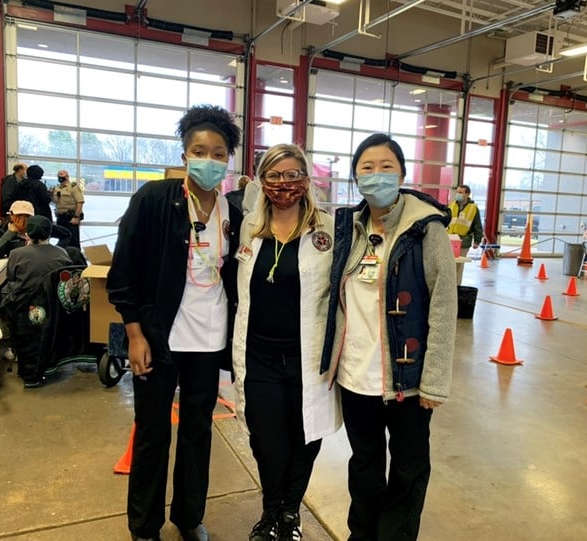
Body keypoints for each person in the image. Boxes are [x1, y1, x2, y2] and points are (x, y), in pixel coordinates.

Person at [107, 104, 242, 541]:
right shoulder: (154, 200)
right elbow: (123, 271)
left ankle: (188, 516)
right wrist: (134, 333)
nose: (209, 159)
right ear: (185, 155)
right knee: (152, 432)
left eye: (219, 152)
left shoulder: (233, 213)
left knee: (198, 432)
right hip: (159, 337)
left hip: (209, 337)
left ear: (228, 160)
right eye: (200, 150)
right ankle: (144, 525)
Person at [320, 133, 457, 541]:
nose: (376, 175)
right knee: (364, 463)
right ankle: (361, 534)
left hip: (408, 380)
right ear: (355, 177)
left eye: (386, 167)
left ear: (402, 173)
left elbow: (444, 306)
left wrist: (434, 380)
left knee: (408, 468)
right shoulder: (349, 228)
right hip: (355, 375)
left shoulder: (425, 230)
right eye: (367, 167)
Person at [232, 144, 341, 541]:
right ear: (262, 181)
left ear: (306, 180)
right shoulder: (248, 227)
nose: (284, 183)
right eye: (275, 175)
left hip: (306, 357)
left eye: (293, 174)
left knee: (304, 436)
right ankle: (270, 509)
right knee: (265, 438)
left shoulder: (328, 230)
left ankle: (290, 513)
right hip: (258, 354)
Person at [0, 215, 72, 388]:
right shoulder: (62, 253)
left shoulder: (17, 254)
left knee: (1, 296)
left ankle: (12, 348)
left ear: (27, 234)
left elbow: (12, 278)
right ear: (50, 233)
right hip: (54, 308)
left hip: (24, 307)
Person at [0, 200, 71, 260]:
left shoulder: (40, 228)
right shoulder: (3, 232)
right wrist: (10, 234)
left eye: (27, 216)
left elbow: (66, 234)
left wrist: (54, 252)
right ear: (11, 216)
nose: (23, 219)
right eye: (19, 216)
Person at [447, 184, 483, 285]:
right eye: (457, 192)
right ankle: (449, 286)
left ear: (467, 194)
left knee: (458, 266)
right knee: (449, 265)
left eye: (461, 192)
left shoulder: (473, 208)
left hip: (463, 241)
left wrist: (477, 241)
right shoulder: (452, 205)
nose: (458, 194)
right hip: (450, 239)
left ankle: (457, 287)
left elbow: (477, 225)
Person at [51, 170, 85, 249]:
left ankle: (75, 257)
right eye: (58, 175)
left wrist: (76, 217)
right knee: (62, 240)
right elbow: (55, 202)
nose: (59, 176)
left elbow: (80, 202)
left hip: (71, 218)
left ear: (67, 176)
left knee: (73, 241)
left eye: (61, 174)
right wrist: (51, 194)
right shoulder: (56, 188)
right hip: (60, 218)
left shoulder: (73, 187)